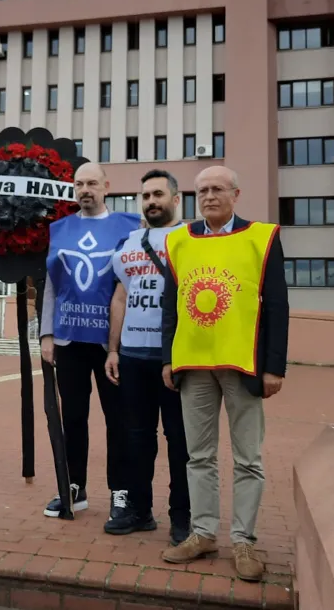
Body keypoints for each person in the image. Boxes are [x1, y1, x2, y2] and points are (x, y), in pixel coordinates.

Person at [159, 166, 289, 582]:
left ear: (236, 193)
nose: (209, 196)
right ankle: (203, 533)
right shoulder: (178, 240)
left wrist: (274, 367)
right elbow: (169, 305)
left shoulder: (261, 238)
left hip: (243, 363)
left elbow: (277, 307)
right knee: (198, 456)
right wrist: (168, 359)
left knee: (248, 458)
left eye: (217, 189)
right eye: (202, 190)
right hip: (194, 365)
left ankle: (244, 539)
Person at [39, 162, 141, 527]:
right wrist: (46, 333)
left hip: (112, 343)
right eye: (79, 184)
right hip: (69, 338)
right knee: (74, 418)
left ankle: (121, 491)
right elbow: (51, 284)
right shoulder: (60, 229)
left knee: (119, 418)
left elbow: (132, 280)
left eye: (92, 183)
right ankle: (73, 487)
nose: (85, 189)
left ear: (106, 187)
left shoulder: (128, 227)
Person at [104, 170, 190, 545]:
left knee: (180, 442)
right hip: (134, 356)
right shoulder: (129, 242)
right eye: (146, 195)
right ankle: (140, 511)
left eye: (158, 193)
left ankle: (182, 517)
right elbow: (121, 296)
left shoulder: (193, 239)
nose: (151, 201)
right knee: (137, 438)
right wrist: (113, 348)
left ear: (176, 199)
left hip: (177, 358)